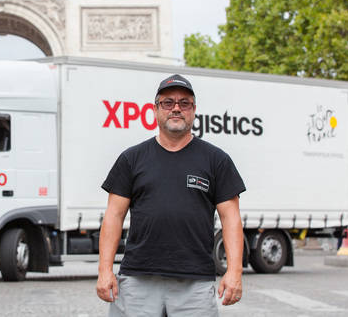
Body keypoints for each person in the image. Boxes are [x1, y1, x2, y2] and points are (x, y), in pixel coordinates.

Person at [96, 74, 246, 316]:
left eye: (184, 103)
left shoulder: (216, 160)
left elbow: (231, 218)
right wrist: (105, 270)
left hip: (195, 283)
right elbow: (114, 215)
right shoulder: (131, 159)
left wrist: (234, 271)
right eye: (168, 102)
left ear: (194, 110)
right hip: (137, 279)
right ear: (155, 109)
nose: (176, 108)